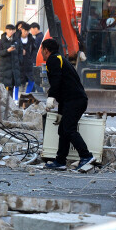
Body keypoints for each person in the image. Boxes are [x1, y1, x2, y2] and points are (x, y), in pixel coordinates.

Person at [41, 38, 96, 171]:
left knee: (69, 129)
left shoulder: (53, 59)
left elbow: (57, 82)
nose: (41, 53)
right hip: (72, 100)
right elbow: (63, 89)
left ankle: (86, 156)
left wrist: (51, 97)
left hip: (75, 100)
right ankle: (60, 161)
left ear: (46, 50)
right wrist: (60, 112)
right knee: (63, 130)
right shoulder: (59, 58)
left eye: (42, 50)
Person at [0, 24, 21, 97]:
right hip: (5, 68)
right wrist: (7, 50)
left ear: (14, 31)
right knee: (3, 87)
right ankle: (4, 104)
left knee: (12, 87)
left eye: (12, 30)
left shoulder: (17, 40)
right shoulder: (1, 40)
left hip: (14, 68)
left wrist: (19, 61)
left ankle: (10, 103)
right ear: (6, 30)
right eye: (9, 30)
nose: (11, 31)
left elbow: (20, 52)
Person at [17, 21, 36, 93]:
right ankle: (18, 98)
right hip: (19, 63)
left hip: (28, 63)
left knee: (31, 80)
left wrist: (31, 58)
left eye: (28, 31)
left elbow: (35, 49)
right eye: (25, 31)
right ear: (21, 30)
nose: (26, 33)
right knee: (20, 82)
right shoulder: (16, 38)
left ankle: (26, 95)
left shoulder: (31, 39)